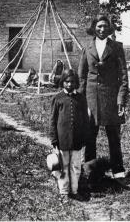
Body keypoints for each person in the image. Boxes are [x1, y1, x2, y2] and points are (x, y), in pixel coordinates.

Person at [78, 14, 128, 179]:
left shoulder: (116, 47)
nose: (102, 29)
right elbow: (82, 76)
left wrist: (121, 100)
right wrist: (80, 99)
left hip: (111, 98)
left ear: (109, 28)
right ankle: (90, 170)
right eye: (99, 26)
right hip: (91, 99)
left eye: (105, 26)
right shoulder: (87, 48)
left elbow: (123, 77)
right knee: (89, 135)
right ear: (94, 28)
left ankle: (118, 170)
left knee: (113, 135)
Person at [50, 69, 89, 199]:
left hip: (77, 140)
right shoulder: (58, 98)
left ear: (76, 83)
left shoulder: (81, 99)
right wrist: (54, 139)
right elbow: (53, 120)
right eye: (66, 81)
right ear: (63, 82)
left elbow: (85, 120)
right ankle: (64, 191)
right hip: (63, 140)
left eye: (72, 82)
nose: (69, 84)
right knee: (63, 166)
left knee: (76, 166)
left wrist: (84, 137)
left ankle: (74, 190)